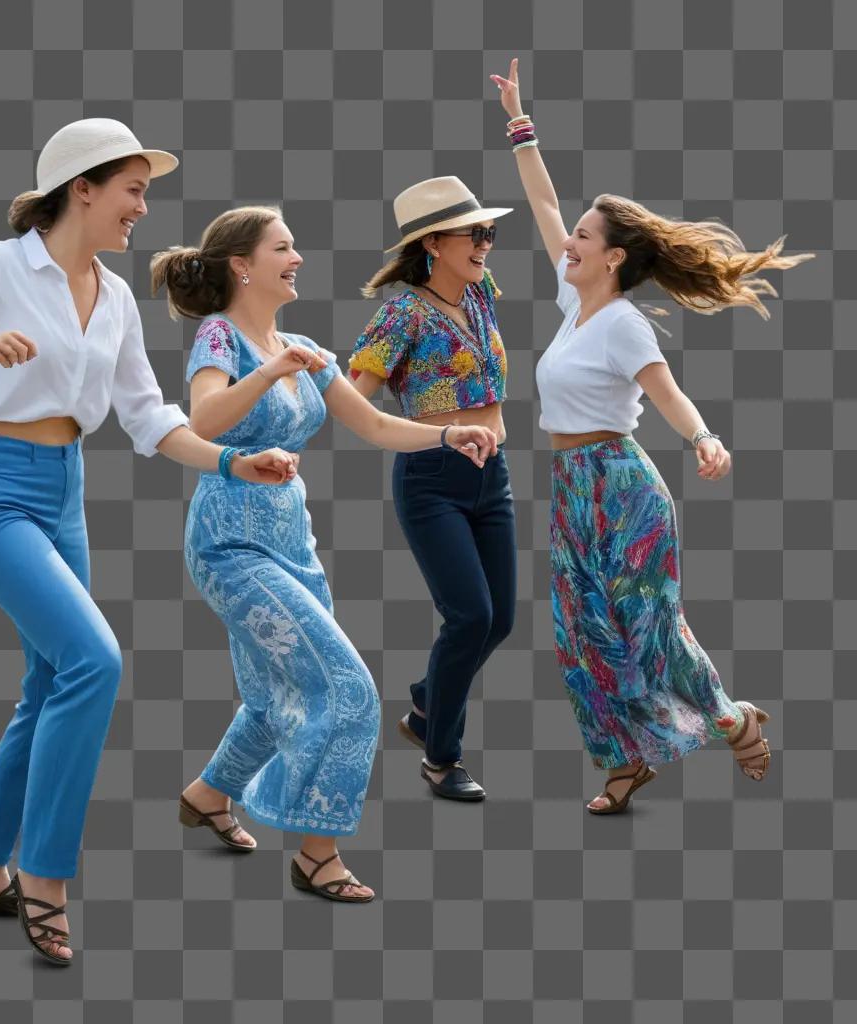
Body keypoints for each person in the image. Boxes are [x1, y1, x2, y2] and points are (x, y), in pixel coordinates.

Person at [0, 119, 298, 964]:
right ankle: (47, 875)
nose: (143, 207)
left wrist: (232, 460)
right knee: (94, 662)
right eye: (134, 189)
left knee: (50, 680)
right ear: (84, 188)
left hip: (66, 491)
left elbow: (151, 421)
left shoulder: (113, 299)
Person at [489, 59, 812, 813]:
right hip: (570, 490)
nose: (567, 241)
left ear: (614, 256)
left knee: (647, 630)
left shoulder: (625, 324)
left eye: (583, 235)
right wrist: (518, 118)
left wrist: (704, 438)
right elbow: (540, 200)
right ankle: (623, 763)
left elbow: (665, 391)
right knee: (579, 638)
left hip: (623, 487)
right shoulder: (575, 309)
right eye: (571, 234)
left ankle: (732, 720)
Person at [150, 206, 498, 902]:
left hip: (291, 543)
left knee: (274, 693)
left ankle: (208, 796)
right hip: (231, 543)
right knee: (342, 689)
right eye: (284, 247)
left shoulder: (304, 344)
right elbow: (203, 420)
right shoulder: (221, 337)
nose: (299, 257)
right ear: (243, 266)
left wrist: (450, 433)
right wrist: (271, 368)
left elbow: (370, 421)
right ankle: (317, 854)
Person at [348, 176, 517, 802]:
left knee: (499, 621)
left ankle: (426, 704)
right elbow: (350, 397)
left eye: (489, 233)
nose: (485, 244)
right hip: (431, 479)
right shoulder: (401, 314)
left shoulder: (481, 294)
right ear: (432, 243)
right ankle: (441, 758)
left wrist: (521, 132)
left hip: (491, 477)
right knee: (469, 615)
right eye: (474, 234)